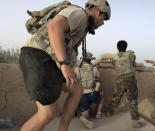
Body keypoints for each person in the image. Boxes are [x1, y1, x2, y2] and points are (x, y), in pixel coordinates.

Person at [19, 0, 111, 131]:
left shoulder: (83, 25)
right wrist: (64, 64)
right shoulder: (80, 14)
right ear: (97, 11)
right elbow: (54, 26)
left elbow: (68, 48)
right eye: (103, 18)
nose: (102, 23)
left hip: (51, 60)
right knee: (47, 113)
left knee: (77, 89)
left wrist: (67, 65)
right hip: (39, 56)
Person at [106, 40, 144, 128]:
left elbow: (114, 67)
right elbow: (133, 65)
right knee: (132, 101)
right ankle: (135, 123)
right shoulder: (131, 55)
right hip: (130, 80)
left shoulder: (114, 57)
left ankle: (108, 113)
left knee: (115, 98)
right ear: (126, 47)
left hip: (119, 80)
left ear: (117, 47)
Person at [74, 52, 101, 129]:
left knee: (86, 115)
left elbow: (76, 81)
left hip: (82, 95)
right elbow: (100, 80)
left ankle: (83, 117)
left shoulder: (77, 69)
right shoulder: (94, 68)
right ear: (90, 60)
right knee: (102, 95)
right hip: (93, 94)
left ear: (82, 59)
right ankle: (98, 113)